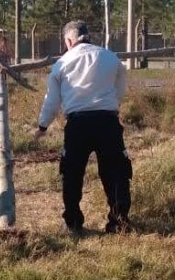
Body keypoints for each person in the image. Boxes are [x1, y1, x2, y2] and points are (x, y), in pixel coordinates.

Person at [33, 20, 132, 234]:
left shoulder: (62, 63)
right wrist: (111, 105)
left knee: (72, 173)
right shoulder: (110, 57)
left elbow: (52, 100)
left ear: (69, 40)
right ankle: (119, 221)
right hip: (108, 121)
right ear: (87, 36)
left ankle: (73, 222)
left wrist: (42, 126)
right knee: (116, 172)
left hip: (78, 124)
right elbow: (121, 87)